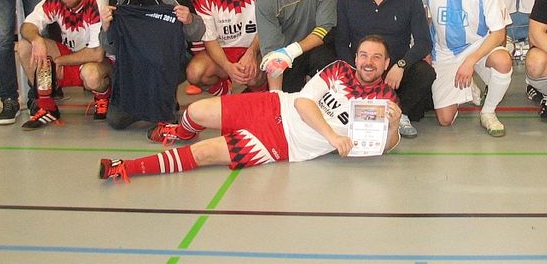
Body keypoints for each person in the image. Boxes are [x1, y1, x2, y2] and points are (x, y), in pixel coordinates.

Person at [99, 35, 401, 182]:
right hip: (270, 105)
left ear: (386, 64)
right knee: (195, 112)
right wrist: (333, 138)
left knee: (205, 154)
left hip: (279, 144)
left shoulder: (385, 101)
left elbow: (382, 147)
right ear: (356, 57)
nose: (368, 62)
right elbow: (303, 102)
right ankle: (181, 132)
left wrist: (393, 125)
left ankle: (126, 167)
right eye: (364, 55)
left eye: (376, 58)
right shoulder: (339, 70)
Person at [414, 0, 513, 137]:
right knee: (445, 120)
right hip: (444, 51)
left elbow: (499, 33)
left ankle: (488, 112)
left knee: (503, 61)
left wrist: (470, 60)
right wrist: (425, 49)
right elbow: (421, 14)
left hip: (477, 47)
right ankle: (470, 88)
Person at [100, 0, 204, 129]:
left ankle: (164, 101)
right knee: (116, 121)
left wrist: (189, 20)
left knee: (164, 116)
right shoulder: (118, 0)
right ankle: (145, 101)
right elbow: (110, 48)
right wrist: (106, 27)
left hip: (168, 64)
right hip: (133, 68)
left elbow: (198, 34)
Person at [336, 0, 435, 138]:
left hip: (395, 74)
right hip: (362, 71)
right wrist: (356, 72)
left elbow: (424, 42)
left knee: (425, 72)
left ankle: (400, 114)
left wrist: (401, 65)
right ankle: (367, 108)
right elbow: (340, 43)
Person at [16, 0, 113, 130]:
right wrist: (36, 39)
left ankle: (103, 94)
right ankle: (46, 106)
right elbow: (27, 26)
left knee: (91, 75)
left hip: (100, 60)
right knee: (25, 46)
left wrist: (59, 61)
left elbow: (97, 53)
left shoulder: (96, 1)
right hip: (72, 54)